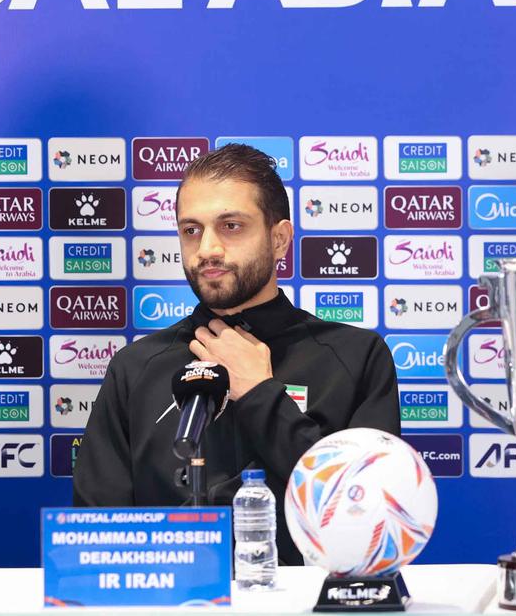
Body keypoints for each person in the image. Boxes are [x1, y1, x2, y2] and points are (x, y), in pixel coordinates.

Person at [74, 143, 401, 565]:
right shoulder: (135, 368)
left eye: (231, 226)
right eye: (191, 230)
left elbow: (372, 518)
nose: (207, 249)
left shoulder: (356, 358)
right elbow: (97, 541)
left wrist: (262, 394)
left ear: (279, 239)